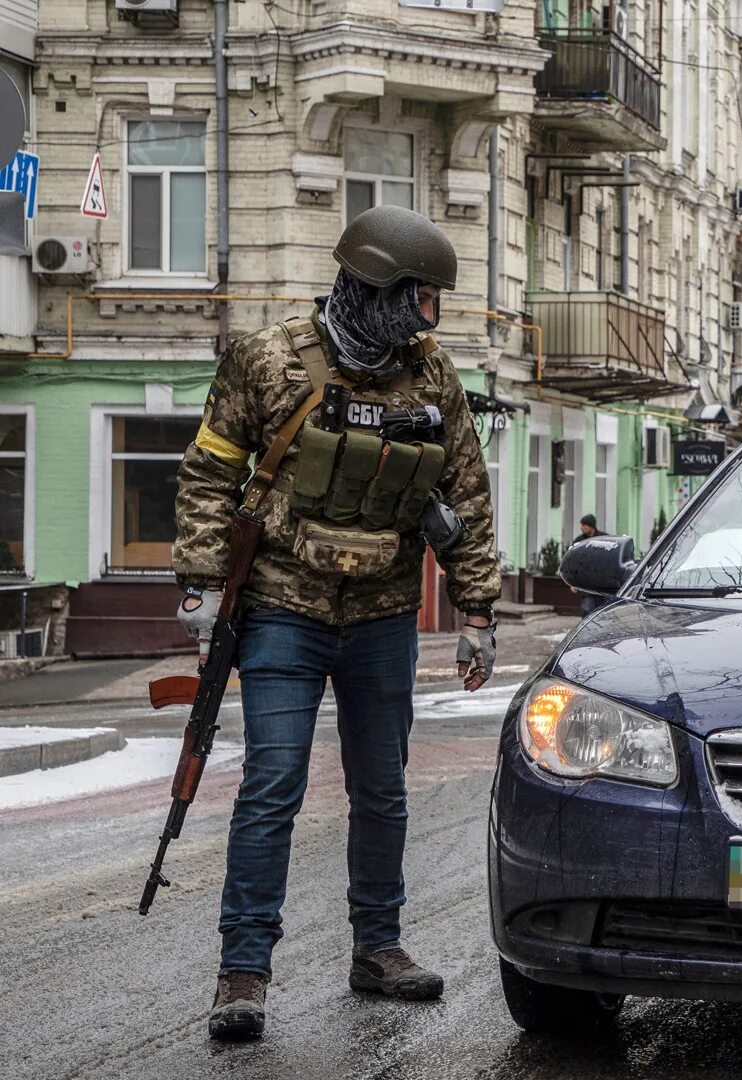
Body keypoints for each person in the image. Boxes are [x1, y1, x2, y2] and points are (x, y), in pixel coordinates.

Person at [173, 206, 501, 1041]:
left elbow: (466, 494)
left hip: (384, 611)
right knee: (273, 785)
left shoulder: (430, 379)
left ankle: (377, 947)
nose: (433, 316)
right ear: (379, 286)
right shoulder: (271, 359)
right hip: (282, 607)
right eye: (423, 297)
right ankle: (242, 971)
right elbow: (209, 473)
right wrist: (201, 588)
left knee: (383, 791)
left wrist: (478, 610)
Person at [572, 514, 606, 615]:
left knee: (602, 612)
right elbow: (574, 561)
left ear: (591, 526)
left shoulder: (603, 539)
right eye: (581, 525)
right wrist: (573, 582)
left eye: (584, 525)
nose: (581, 528)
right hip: (586, 584)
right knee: (587, 610)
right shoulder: (579, 541)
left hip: (603, 583)